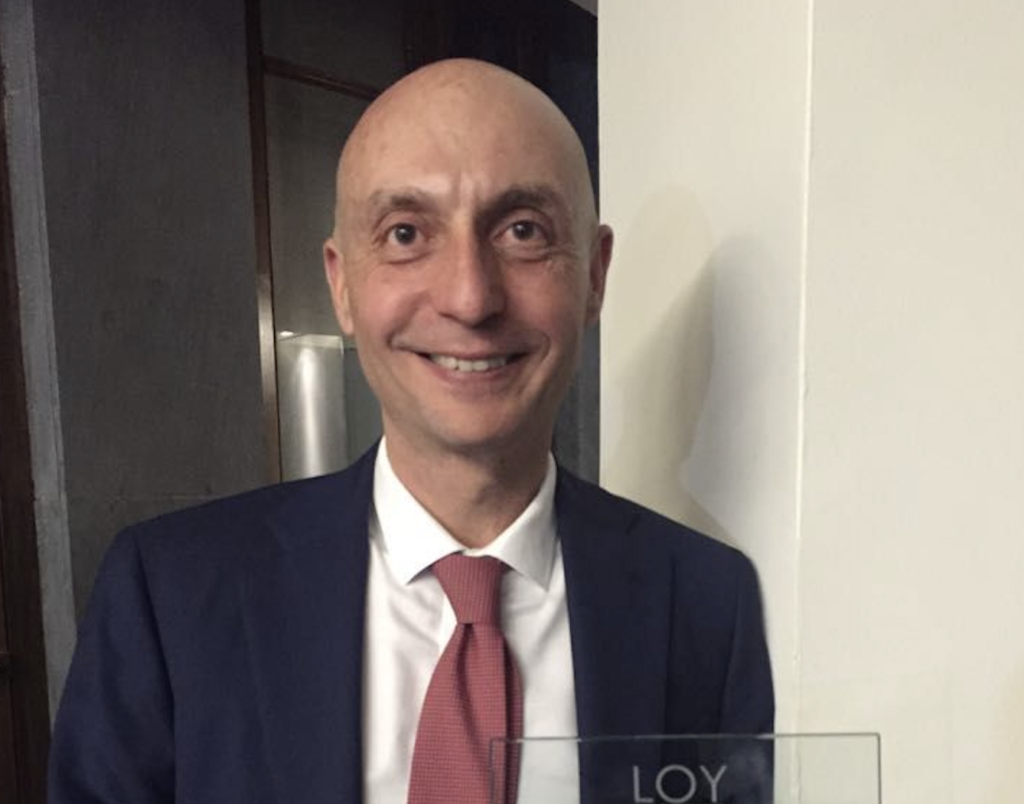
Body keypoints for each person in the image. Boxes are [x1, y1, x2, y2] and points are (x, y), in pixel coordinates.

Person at [48, 59, 773, 804]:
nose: (470, 296)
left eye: (523, 231)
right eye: (405, 233)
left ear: (593, 274)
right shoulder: (169, 596)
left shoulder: (708, 605)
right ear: (342, 285)